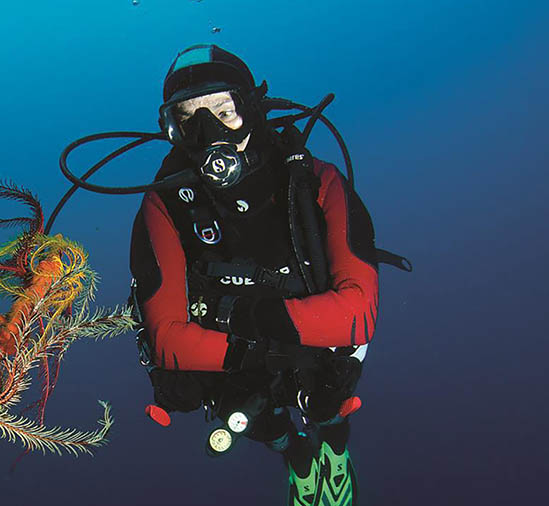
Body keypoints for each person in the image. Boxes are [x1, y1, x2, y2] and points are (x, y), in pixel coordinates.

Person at [128, 44, 380, 506]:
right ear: (172, 130)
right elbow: (166, 339)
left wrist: (241, 318)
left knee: (327, 397)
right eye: (189, 120)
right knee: (248, 414)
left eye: (224, 112)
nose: (209, 135)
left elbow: (358, 315)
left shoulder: (315, 181)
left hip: (287, 348)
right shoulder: (164, 205)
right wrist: (263, 349)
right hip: (245, 357)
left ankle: (334, 444)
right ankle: (296, 455)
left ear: (253, 109)